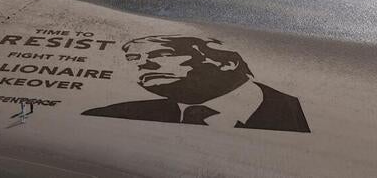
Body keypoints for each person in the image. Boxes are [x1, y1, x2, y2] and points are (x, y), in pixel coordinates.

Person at [82, 35, 309, 133]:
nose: (143, 64)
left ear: (227, 62)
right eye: (134, 59)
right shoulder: (109, 114)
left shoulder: (294, 111)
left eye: (161, 54)